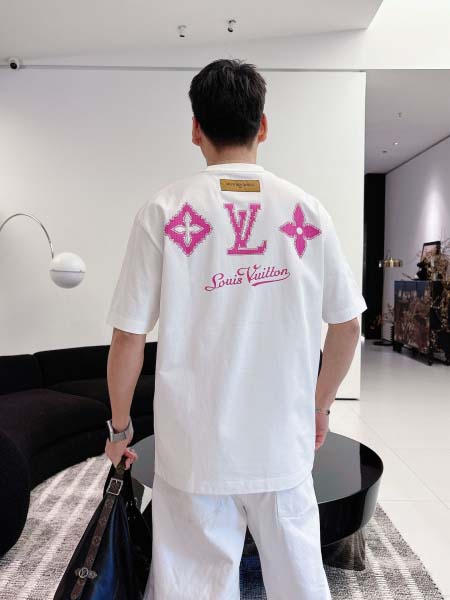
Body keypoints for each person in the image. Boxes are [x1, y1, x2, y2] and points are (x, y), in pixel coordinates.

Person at [104, 58, 367, 600]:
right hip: (281, 442)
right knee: (300, 583)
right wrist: (319, 406)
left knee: (193, 587)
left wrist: (120, 430)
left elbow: (129, 337)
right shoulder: (307, 211)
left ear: (195, 128)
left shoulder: (164, 210)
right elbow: (347, 326)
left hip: (194, 448)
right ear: (262, 126)